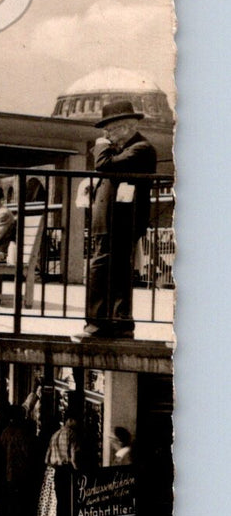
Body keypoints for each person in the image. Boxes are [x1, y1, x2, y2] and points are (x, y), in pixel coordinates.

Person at [81, 100, 158, 339]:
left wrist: (101, 146)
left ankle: (103, 323)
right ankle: (114, 322)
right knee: (111, 270)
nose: (108, 135)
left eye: (111, 130)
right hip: (111, 220)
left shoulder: (141, 148)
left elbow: (103, 166)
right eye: (107, 131)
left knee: (106, 269)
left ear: (128, 126)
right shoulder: (124, 149)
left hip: (122, 221)